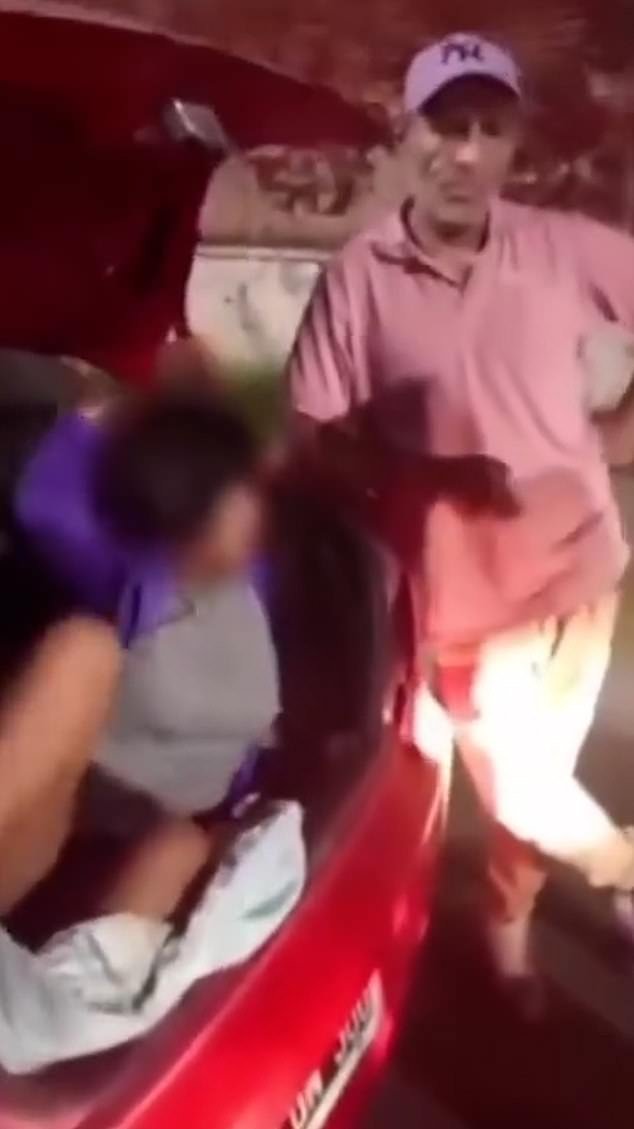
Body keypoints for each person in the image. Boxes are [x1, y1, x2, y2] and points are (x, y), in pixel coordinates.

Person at [287, 32, 634, 1007]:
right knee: (521, 783)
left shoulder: (560, 247)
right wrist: (428, 473)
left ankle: (508, 950)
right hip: (461, 601)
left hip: (582, 571)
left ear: (512, 144)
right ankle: (623, 871)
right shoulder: (361, 276)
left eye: (487, 129)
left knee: (539, 774)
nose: (465, 152)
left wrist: (617, 433)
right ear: (409, 135)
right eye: (444, 127)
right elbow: (312, 434)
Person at [2, 384, 278, 921]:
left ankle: (69, 975)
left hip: (167, 828)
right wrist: (108, 405)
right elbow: (40, 485)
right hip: (86, 797)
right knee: (83, 649)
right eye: (242, 491)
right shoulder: (131, 569)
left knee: (179, 851)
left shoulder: (257, 585)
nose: (254, 506)